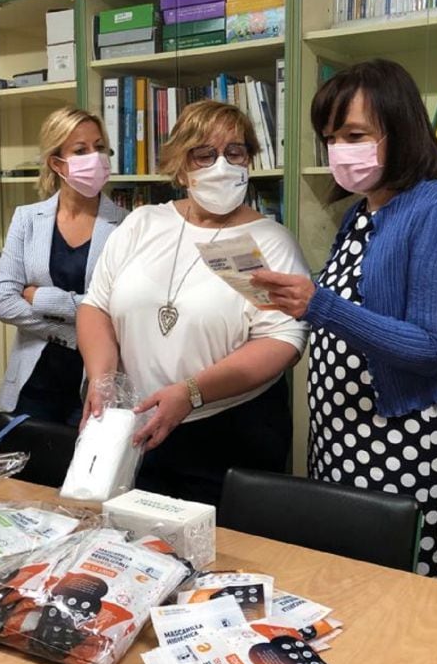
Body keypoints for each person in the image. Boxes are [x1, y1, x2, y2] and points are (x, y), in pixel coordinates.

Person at [253, 59, 437, 578]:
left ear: (398, 130)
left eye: (355, 134)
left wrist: (320, 305)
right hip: (340, 436)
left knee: (398, 595)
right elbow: (348, 309)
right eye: (331, 137)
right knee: (342, 585)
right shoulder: (364, 210)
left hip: (402, 441)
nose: (340, 151)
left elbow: (429, 346)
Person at [77, 99, 310, 506]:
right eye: (205, 154)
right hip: (134, 427)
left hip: (228, 432)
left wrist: (191, 391)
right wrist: (102, 380)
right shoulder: (142, 224)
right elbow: (95, 306)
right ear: (180, 166)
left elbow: (283, 342)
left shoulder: (269, 241)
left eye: (234, 152)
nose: (222, 165)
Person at [0, 107, 126, 424]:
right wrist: (77, 331)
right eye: (81, 150)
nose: (94, 157)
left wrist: (42, 298)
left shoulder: (126, 225)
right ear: (56, 162)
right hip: (33, 380)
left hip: (95, 382)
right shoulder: (27, 219)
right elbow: (5, 303)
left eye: (100, 148)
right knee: (23, 471)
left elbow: (119, 309)